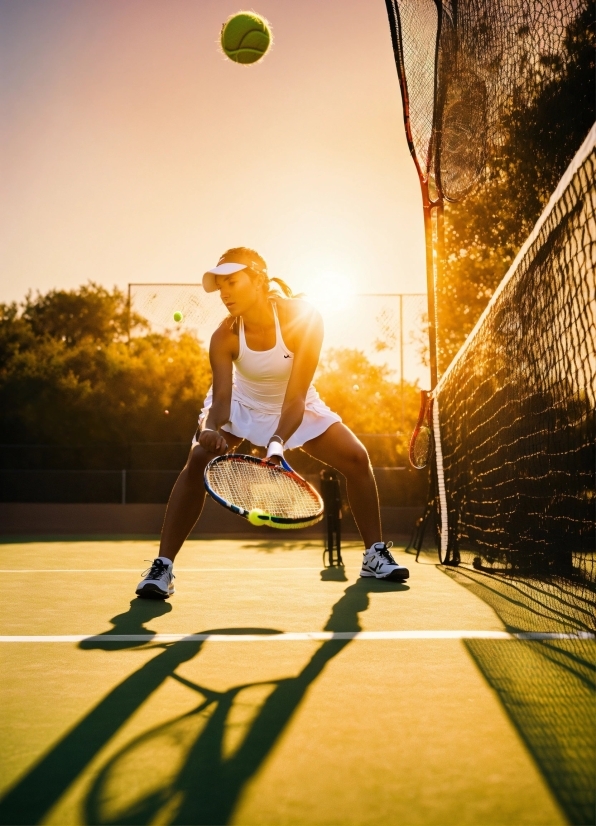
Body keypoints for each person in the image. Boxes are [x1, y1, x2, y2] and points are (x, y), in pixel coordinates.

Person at [136, 247, 409, 598]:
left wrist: (276, 443)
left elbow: (295, 399)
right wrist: (208, 429)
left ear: (259, 279)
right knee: (196, 463)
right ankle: (162, 568)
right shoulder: (225, 336)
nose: (225, 293)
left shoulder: (304, 318)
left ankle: (374, 555)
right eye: (220, 286)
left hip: (295, 403)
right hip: (242, 403)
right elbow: (220, 401)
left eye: (232, 282)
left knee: (357, 458)